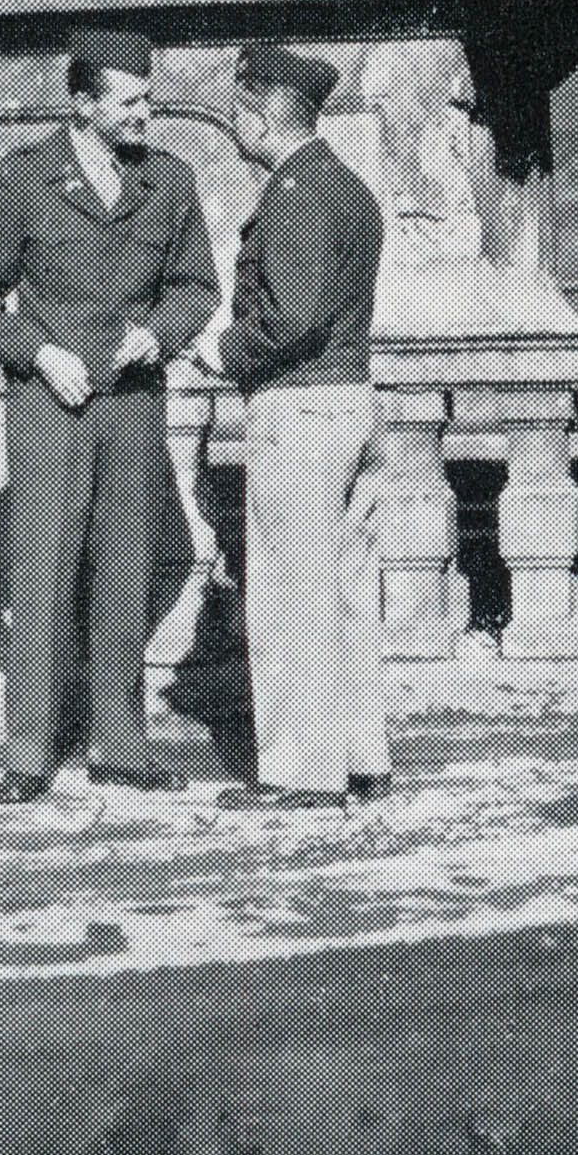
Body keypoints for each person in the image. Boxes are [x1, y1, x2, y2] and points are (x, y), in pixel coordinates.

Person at [0, 29, 220, 803]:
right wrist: (36, 351)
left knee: (126, 571)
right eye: (129, 102)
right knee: (42, 575)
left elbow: (198, 288)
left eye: (148, 98)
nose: (145, 114)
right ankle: (30, 747)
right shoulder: (19, 179)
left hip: (133, 403)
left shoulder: (171, 180)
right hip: (48, 405)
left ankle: (120, 743)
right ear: (83, 103)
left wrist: (156, 335)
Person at [194, 43, 390, 811]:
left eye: (239, 110)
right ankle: (358, 753)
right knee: (346, 590)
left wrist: (221, 349)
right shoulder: (349, 188)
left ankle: (300, 771)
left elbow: (293, 317)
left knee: (289, 595)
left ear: (258, 114)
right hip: (351, 400)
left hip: (297, 408)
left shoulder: (293, 195)